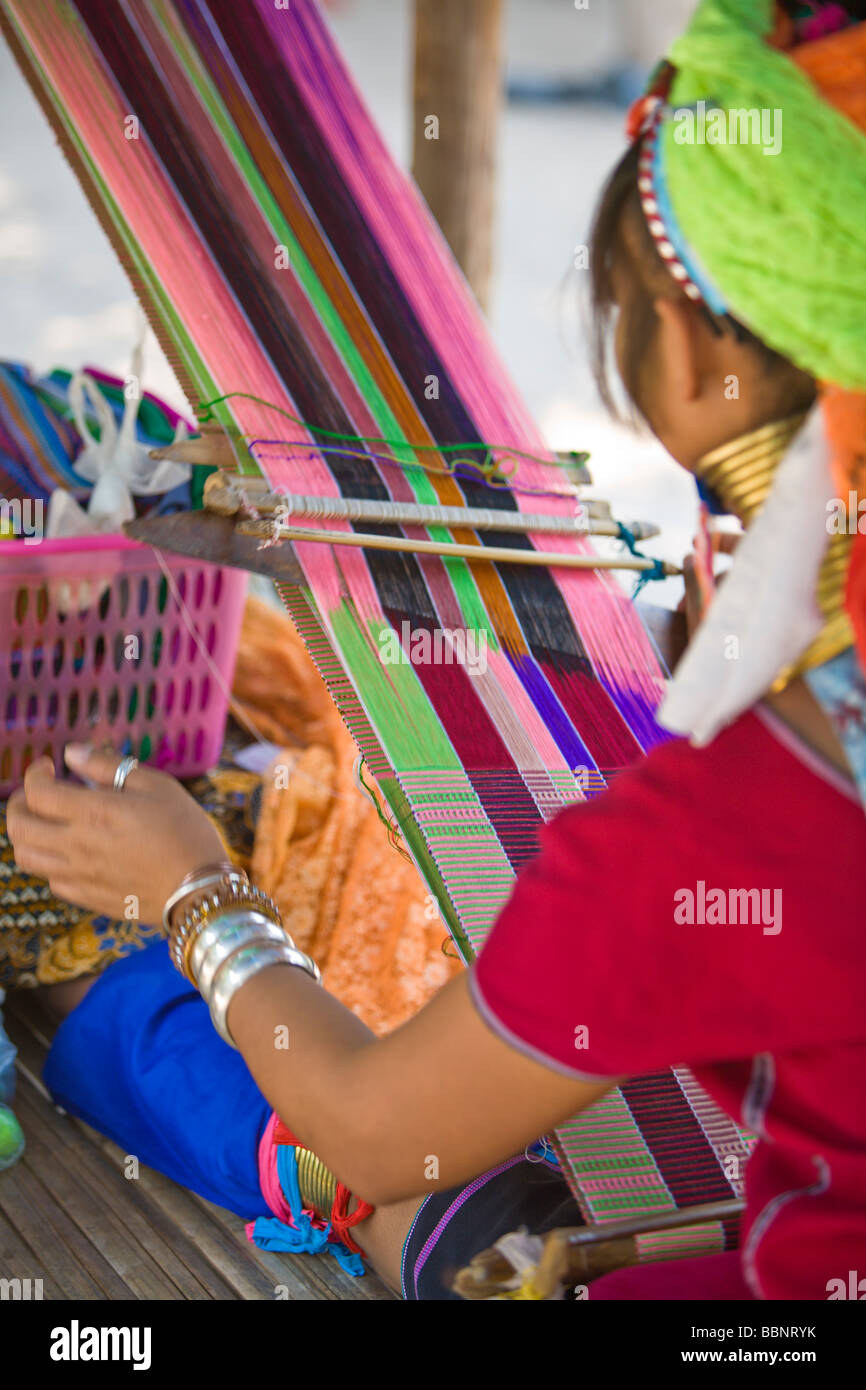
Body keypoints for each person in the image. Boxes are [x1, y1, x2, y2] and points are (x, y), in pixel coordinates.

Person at [8, 0, 866, 1300]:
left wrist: (190, 887)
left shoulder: (739, 813)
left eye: (621, 306)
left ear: (693, 355)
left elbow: (370, 1119)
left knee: (480, 1241)